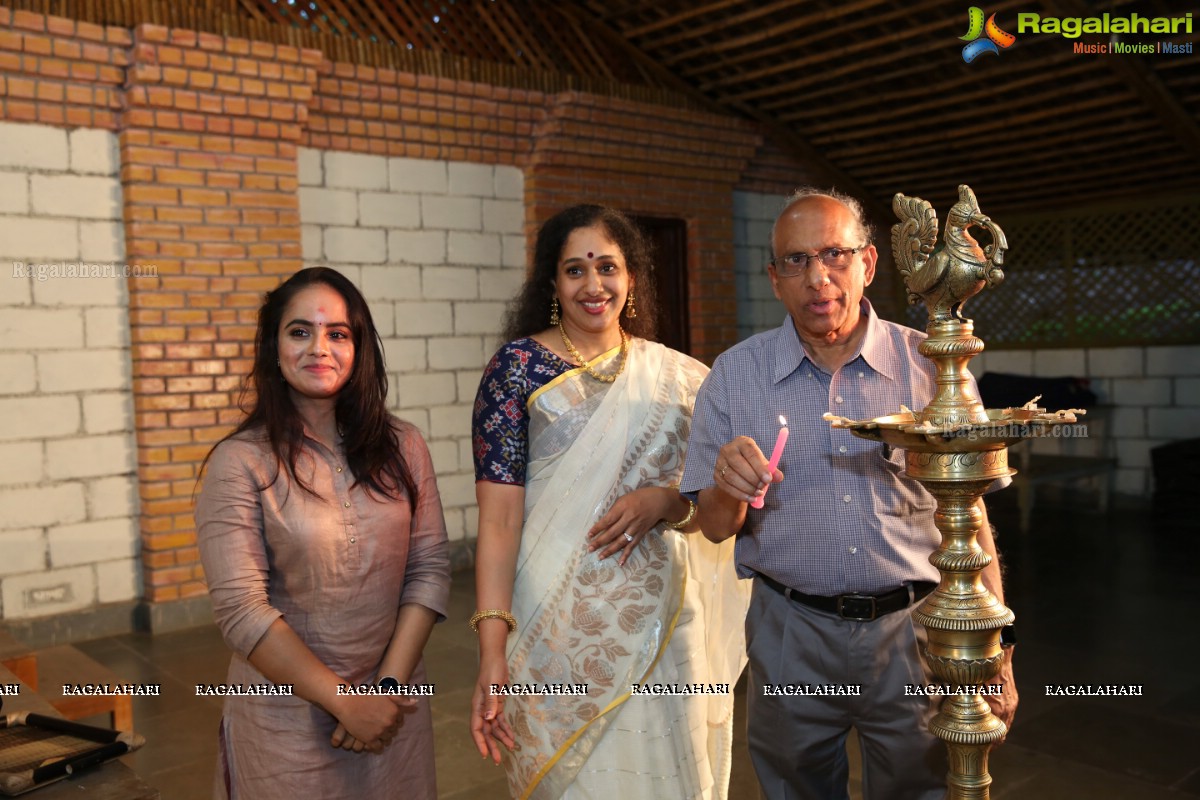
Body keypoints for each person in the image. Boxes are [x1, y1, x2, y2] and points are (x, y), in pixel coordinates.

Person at [679, 188, 1018, 800]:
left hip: (916, 633)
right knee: (796, 787)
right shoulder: (734, 375)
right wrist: (727, 486)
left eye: (835, 254)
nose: (818, 277)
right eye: (796, 260)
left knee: (921, 788)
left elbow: (973, 516)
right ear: (774, 278)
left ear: (867, 263)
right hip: (790, 633)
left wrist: (994, 652)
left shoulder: (932, 366)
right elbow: (713, 526)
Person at [468, 204, 749, 799]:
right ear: (552, 282)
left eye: (608, 267)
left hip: (664, 616)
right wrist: (492, 648)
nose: (593, 285)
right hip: (550, 617)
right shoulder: (517, 370)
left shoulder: (680, 378)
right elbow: (496, 522)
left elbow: (712, 509)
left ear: (631, 279)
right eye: (575, 270)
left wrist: (667, 502)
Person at [196, 267, 450, 799]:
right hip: (285, 723)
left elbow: (428, 568)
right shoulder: (240, 462)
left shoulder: (404, 445)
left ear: (359, 347)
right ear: (273, 346)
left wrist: (385, 691)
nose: (320, 348)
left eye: (337, 333)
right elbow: (243, 613)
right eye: (299, 332)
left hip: (393, 711)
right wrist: (344, 702)